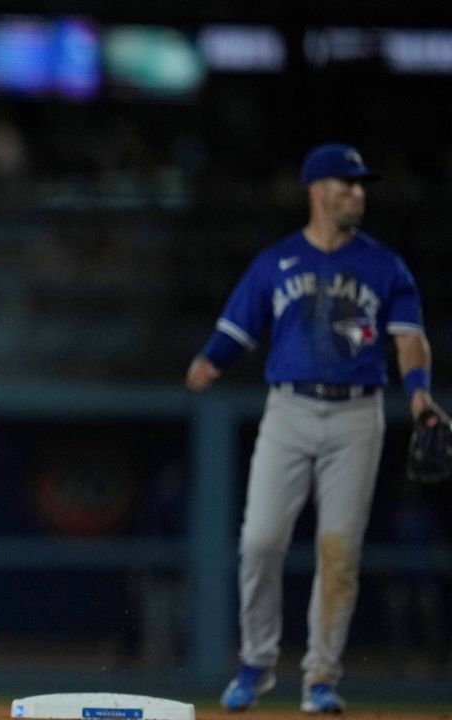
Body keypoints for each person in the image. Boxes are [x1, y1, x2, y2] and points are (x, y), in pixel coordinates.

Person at [184, 143, 445, 714]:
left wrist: (421, 394)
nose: (358, 193)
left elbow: (408, 338)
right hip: (290, 410)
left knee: (339, 553)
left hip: (358, 415)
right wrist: (208, 363)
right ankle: (256, 663)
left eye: (360, 185)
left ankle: (321, 678)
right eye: (347, 183)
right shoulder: (277, 262)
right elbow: (237, 329)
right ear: (317, 189)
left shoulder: (385, 266)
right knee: (259, 542)